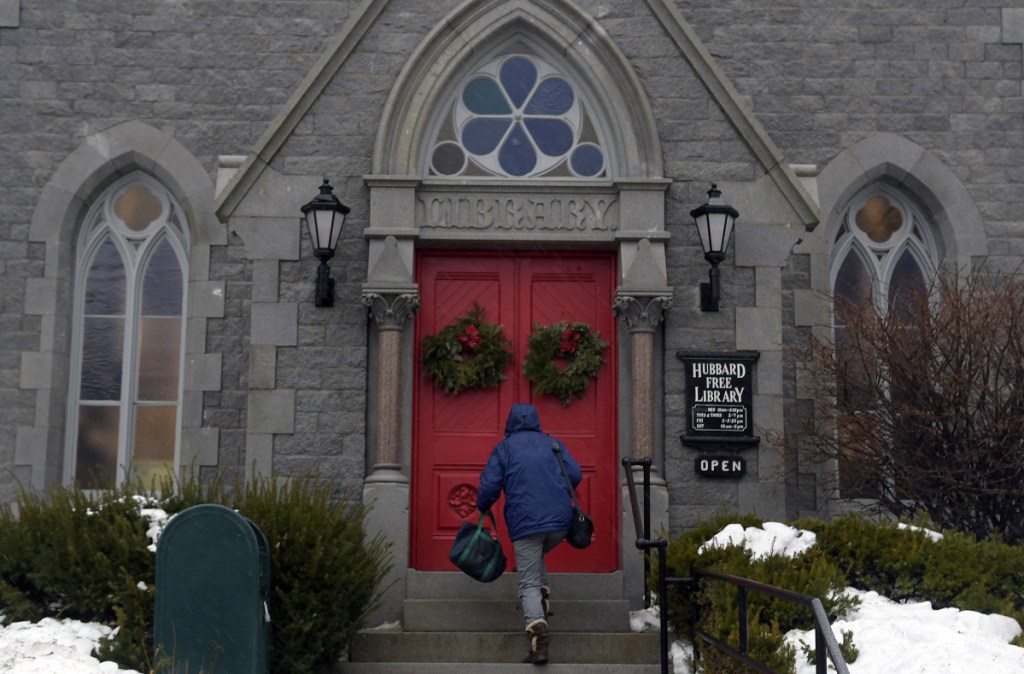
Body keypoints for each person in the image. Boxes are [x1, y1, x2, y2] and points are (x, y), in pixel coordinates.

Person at [476, 403, 583, 666]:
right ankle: (542, 602)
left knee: (527, 582)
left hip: (526, 522)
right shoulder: (553, 443)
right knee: (535, 560)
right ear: (536, 421)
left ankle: (539, 641)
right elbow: (575, 474)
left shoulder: (505, 448)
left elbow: (489, 485)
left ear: (510, 423)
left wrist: (482, 505)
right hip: (560, 523)